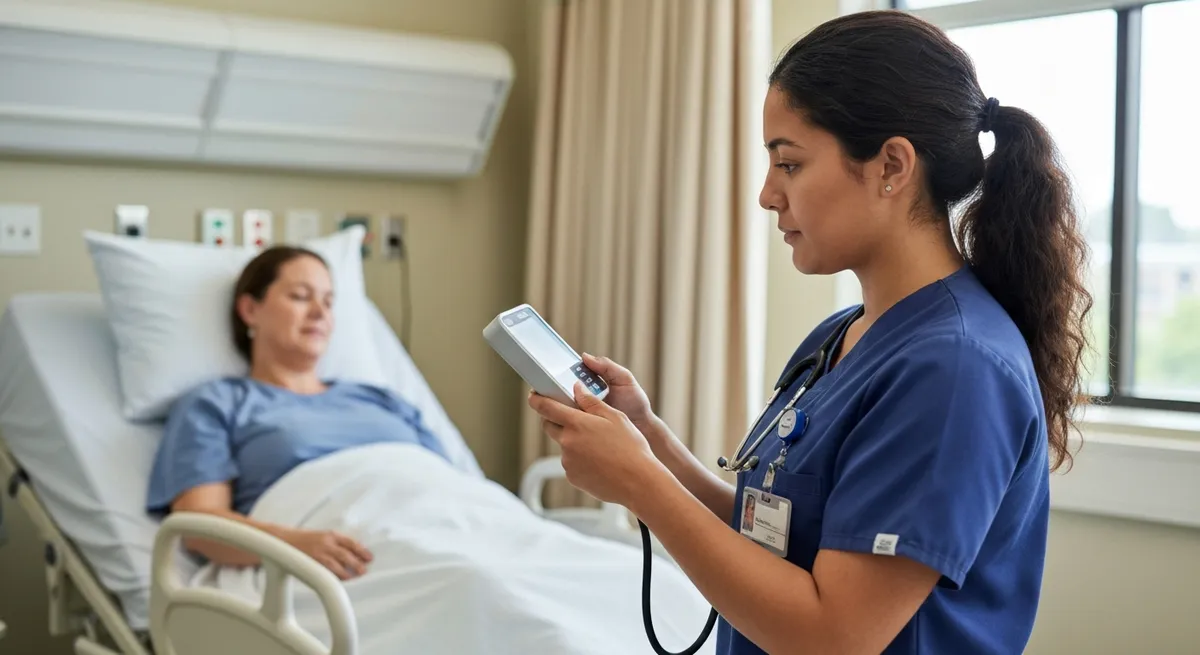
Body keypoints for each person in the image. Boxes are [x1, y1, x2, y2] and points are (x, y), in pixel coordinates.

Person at [528, 10, 1091, 655]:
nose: (767, 195)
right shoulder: (845, 336)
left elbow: (835, 636)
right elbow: (778, 543)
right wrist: (650, 444)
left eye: (789, 164)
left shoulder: (955, 369)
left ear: (891, 166)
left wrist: (640, 484)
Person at [146, 245, 451, 581]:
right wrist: (293, 546)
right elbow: (200, 525)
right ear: (250, 310)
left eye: (329, 302)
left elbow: (451, 486)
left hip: (442, 529)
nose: (320, 312)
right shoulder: (216, 403)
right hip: (345, 560)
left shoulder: (383, 399)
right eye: (301, 296)